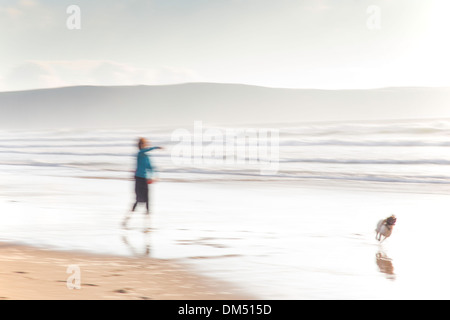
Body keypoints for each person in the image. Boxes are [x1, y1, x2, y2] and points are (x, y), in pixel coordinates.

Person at [123, 137, 163, 227]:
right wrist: (156, 147)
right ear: (139, 146)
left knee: (148, 200)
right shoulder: (139, 154)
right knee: (138, 200)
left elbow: (150, 167)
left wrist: (155, 176)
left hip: (145, 179)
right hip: (138, 179)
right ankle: (127, 219)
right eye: (142, 144)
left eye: (145, 144)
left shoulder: (147, 156)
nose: (144, 146)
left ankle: (147, 224)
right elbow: (145, 151)